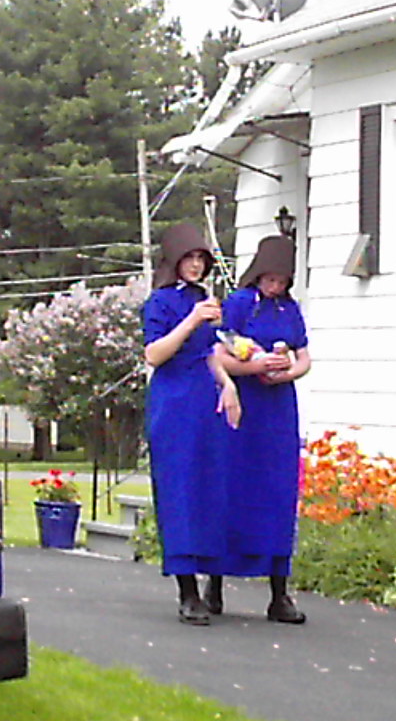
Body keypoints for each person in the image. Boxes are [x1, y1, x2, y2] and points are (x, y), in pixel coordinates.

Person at [142, 221, 241, 626]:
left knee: (212, 489)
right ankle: (186, 590)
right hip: (173, 402)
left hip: (206, 399)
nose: (197, 266)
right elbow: (154, 354)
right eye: (190, 258)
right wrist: (191, 321)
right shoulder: (161, 303)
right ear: (175, 261)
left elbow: (211, 353)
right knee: (180, 490)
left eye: (202, 259)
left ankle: (213, 583)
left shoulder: (207, 300)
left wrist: (229, 384)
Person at [210, 234, 311, 624]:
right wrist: (255, 366)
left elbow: (304, 357)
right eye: (270, 279)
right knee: (232, 490)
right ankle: (214, 585)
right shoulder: (239, 304)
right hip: (243, 406)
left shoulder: (290, 309)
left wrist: (288, 371)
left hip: (278, 409)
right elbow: (220, 353)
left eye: (282, 280)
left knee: (278, 493)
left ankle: (279, 593)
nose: (275, 286)